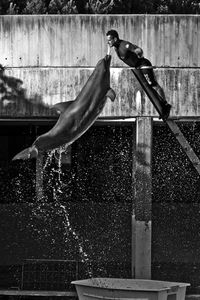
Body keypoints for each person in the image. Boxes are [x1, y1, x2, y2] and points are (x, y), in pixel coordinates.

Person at [106, 29, 171, 120]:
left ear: (115, 39)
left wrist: (139, 56)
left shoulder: (124, 45)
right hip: (137, 67)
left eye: (109, 39)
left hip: (143, 65)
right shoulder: (116, 47)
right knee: (148, 88)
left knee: (153, 85)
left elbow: (138, 49)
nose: (108, 42)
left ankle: (166, 105)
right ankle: (162, 107)